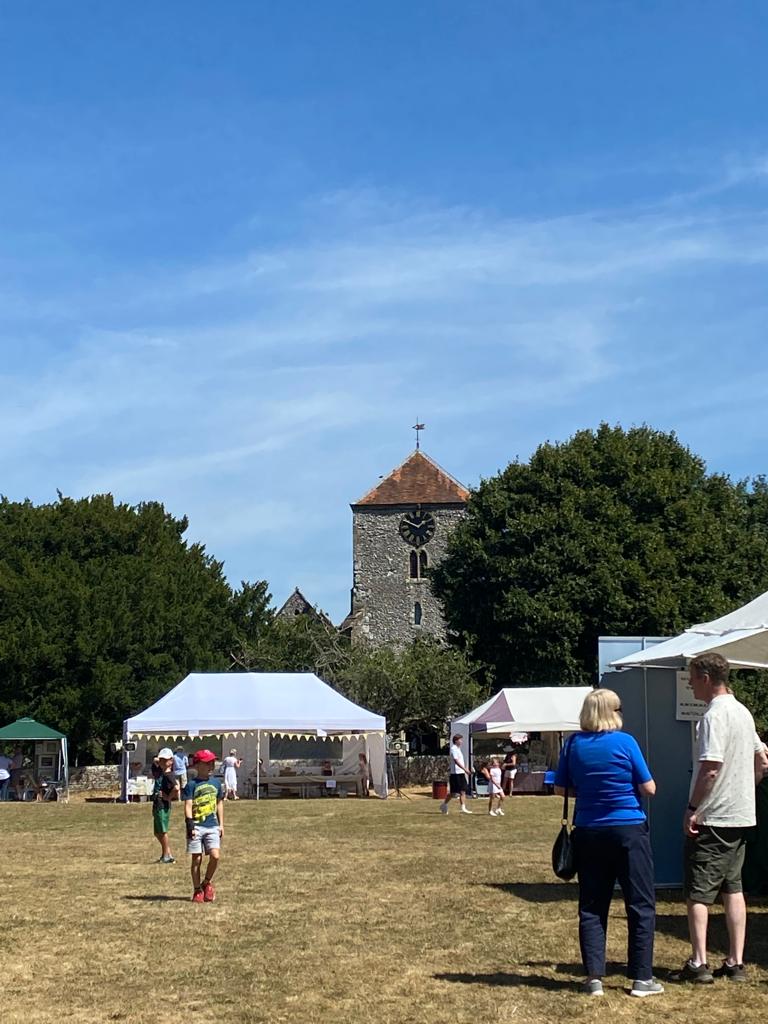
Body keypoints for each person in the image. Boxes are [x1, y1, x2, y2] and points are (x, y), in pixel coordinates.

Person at [554, 688, 662, 998]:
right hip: (628, 829)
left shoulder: (572, 745)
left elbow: (561, 788)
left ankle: (593, 978)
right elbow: (649, 787)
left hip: (588, 830)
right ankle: (642, 978)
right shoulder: (626, 743)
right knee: (640, 903)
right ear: (612, 712)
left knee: (591, 905)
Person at [670, 653, 768, 984]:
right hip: (741, 814)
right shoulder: (743, 712)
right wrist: (745, 788)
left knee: (698, 891)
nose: (690, 683)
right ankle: (735, 961)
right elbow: (762, 759)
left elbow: (710, 767)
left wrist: (692, 808)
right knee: (732, 887)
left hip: (713, 817)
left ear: (707, 678)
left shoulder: (714, 715)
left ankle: (699, 962)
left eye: (693, 677)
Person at [183, 749, 224, 903]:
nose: (211, 765)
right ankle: (197, 889)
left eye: (212, 762)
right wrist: (190, 825)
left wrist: (221, 824)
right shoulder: (191, 785)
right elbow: (188, 805)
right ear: (198, 765)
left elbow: (219, 803)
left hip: (212, 825)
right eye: (207, 763)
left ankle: (206, 882)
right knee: (197, 859)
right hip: (197, 826)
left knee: (215, 855)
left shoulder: (216, 783)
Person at [152, 747, 180, 864]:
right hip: (158, 804)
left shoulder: (169, 775)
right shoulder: (162, 772)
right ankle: (167, 853)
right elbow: (155, 761)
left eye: (166, 760)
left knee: (162, 831)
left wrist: (168, 797)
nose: (162, 762)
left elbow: (176, 787)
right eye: (161, 760)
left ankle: (166, 855)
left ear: (171, 761)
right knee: (157, 832)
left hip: (163, 805)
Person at [439, 734, 472, 815]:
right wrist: (465, 769)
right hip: (455, 773)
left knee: (463, 790)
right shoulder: (453, 749)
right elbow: (456, 761)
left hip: (461, 773)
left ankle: (463, 807)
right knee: (453, 793)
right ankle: (444, 804)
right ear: (456, 740)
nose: (461, 741)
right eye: (460, 740)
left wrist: (464, 770)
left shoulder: (458, 749)